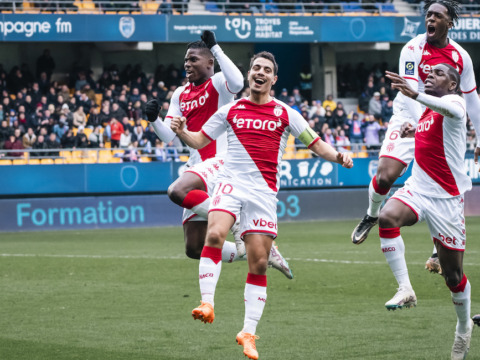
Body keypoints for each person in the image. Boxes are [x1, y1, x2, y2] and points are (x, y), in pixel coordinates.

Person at [170, 52, 353, 360]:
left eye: (267, 70)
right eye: (256, 67)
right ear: (250, 73)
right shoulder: (230, 111)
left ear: (273, 79)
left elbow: (315, 142)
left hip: (263, 195)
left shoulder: (286, 113)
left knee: (257, 263)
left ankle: (248, 333)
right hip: (230, 184)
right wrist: (181, 132)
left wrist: (339, 156)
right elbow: (200, 141)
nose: (260, 73)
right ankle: (207, 302)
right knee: (214, 235)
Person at [145, 31, 293, 278]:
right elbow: (168, 136)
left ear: (209, 63)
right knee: (193, 248)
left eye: (193, 59)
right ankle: (257, 250)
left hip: (222, 163)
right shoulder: (180, 94)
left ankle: (236, 224)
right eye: (186, 60)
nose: (187, 64)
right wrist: (153, 120)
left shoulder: (218, 83)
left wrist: (214, 46)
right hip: (197, 167)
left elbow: (237, 83)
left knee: (176, 191)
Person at [351, 0, 480, 275]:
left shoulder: (461, 57)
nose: (430, 19)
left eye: (437, 16)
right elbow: (408, 91)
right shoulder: (412, 48)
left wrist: (479, 139)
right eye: (428, 15)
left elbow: (472, 101)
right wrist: (422, 125)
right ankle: (372, 214)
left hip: (443, 122)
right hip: (410, 114)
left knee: (438, 181)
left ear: (449, 23)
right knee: (385, 176)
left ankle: (440, 242)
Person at [380, 64, 473, 359]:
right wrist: (412, 133)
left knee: (453, 277)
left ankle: (463, 328)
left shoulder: (455, 102)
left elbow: (455, 114)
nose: (430, 75)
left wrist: (415, 93)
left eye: (439, 74)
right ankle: (405, 287)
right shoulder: (426, 113)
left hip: (446, 201)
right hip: (418, 190)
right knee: (386, 217)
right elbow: (431, 141)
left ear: (453, 83)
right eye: (428, 72)